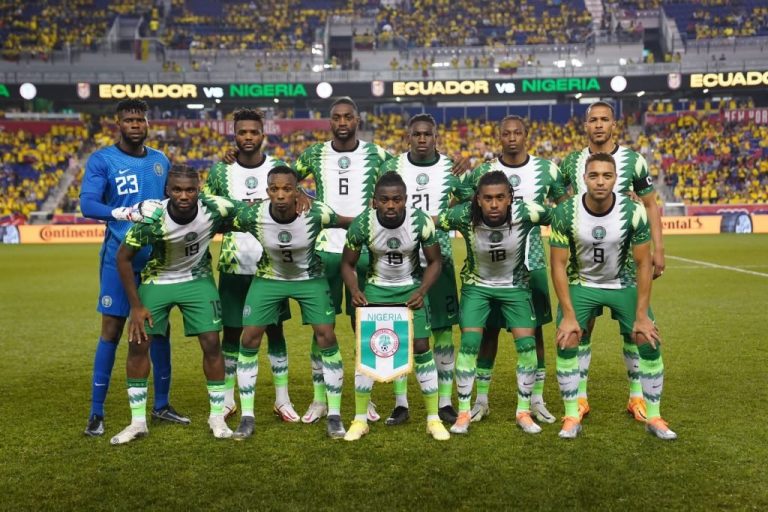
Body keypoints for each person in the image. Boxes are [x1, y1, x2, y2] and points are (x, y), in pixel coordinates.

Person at [111, 165, 260, 444]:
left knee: (212, 343)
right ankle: (138, 422)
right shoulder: (153, 218)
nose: (183, 195)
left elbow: (254, 210)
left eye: (190, 190)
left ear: (198, 190)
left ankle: (216, 416)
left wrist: (301, 195)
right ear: (167, 191)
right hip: (158, 280)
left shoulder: (214, 207)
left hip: (197, 280)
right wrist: (136, 306)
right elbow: (123, 258)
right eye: (177, 190)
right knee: (138, 344)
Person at [80, 99, 188, 437]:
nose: (136, 125)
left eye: (140, 119)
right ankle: (96, 413)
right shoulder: (103, 160)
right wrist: (124, 213)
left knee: (159, 330)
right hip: (119, 257)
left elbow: (176, 199)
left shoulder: (160, 161)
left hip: (156, 260)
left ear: (147, 123)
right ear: (118, 123)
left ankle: (162, 405)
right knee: (111, 330)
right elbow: (87, 204)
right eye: (129, 120)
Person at [550, 153, 676, 440]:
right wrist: (568, 315)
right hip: (582, 283)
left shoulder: (633, 212)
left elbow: (643, 264)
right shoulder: (565, 212)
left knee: (648, 338)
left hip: (623, 283)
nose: (600, 182)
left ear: (616, 179)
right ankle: (571, 415)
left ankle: (654, 417)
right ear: (584, 178)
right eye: (594, 175)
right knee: (567, 337)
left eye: (607, 176)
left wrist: (642, 316)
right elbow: (557, 265)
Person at [559, 101, 665, 422]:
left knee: (634, 329)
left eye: (605, 119)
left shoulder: (634, 161)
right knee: (582, 328)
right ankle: (580, 398)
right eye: (593, 119)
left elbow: (650, 204)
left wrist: (658, 249)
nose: (599, 125)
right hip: (584, 262)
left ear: (614, 124)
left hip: (626, 261)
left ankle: (637, 397)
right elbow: (562, 201)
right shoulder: (571, 162)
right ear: (585, 125)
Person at [232, 166, 354, 440]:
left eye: (287, 189)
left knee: (326, 336)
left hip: (309, 278)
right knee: (249, 338)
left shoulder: (316, 213)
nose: (280, 195)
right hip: (269, 277)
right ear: (267, 192)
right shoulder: (253, 215)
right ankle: (247, 417)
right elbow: (221, 220)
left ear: (297, 191)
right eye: (274, 189)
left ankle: (334, 415)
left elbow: (349, 223)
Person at [293, 97, 393, 424]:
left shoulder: (377, 154)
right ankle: (320, 398)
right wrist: (303, 197)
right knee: (321, 327)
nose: (342, 122)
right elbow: (284, 177)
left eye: (348, 116)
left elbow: (403, 178)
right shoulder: (314, 153)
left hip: (364, 250)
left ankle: (366, 397)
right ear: (330, 121)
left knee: (363, 325)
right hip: (324, 249)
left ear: (357, 120)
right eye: (336, 117)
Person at [462, 115, 568, 424]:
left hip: (532, 263)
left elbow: (566, 208)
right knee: (488, 331)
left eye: (517, 133)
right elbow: (462, 205)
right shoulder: (483, 172)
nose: (511, 138)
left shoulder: (547, 170)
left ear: (526, 135)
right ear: (499, 136)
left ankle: (536, 399)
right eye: (506, 133)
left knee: (535, 333)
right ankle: (481, 400)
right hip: (490, 266)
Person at [435, 171, 552, 435]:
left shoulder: (526, 212)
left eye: (500, 197)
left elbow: (561, 217)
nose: (494, 204)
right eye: (488, 198)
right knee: (469, 344)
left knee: (527, 346)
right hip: (477, 288)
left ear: (510, 198)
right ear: (478, 199)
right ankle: (464, 413)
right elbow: (433, 222)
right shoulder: (463, 215)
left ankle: (523, 411)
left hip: (515, 288)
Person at [376, 113, 474, 425]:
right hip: (399, 261)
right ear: (408, 136)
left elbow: (471, 203)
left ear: (435, 137)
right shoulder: (391, 167)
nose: (421, 139)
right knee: (400, 332)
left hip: (438, 259)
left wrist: (443, 217)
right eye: (416, 134)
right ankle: (401, 404)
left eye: (427, 134)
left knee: (443, 332)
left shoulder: (450, 168)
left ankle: (444, 402)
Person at [203, 108, 299, 423]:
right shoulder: (220, 172)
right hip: (233, 263)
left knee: (275, 331)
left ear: (262, 134)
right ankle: (229, 399)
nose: (247, 137)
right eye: (242, 132)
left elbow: (296, 206)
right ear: (234, 134)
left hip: (272, 265)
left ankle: (282, 399)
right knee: (231, 333)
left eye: (253, 132)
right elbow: (205, 212)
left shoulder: (278, 169)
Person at [341, 172, 449, 441]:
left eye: (397, 199)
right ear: (374, 201)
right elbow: (347, 263)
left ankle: (433, 419)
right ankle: (359, 420)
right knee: (367, 350)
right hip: (376, 289)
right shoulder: (362, 224)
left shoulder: (420, 222)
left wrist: (422, 291)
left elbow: (435, 262)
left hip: (410, 288)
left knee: (421, 346)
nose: (391, 205)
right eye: (385, 200)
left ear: (405, 200)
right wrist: (354, 290)